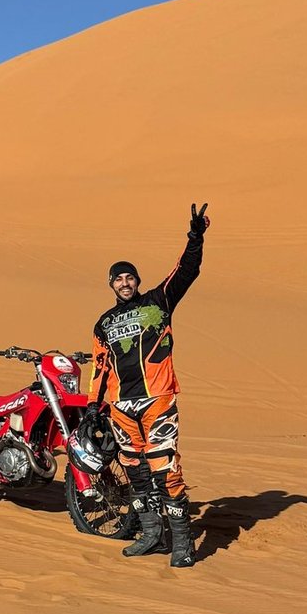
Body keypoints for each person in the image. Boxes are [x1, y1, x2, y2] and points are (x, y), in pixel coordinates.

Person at [92, 203, 210, 568]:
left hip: (157, 400)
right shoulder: (103, 323)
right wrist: (93, 406)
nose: (125, 283)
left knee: (166, 469)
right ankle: (151, 534)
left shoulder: (159, 301)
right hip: (121, 407)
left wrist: (195, 238)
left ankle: (183, 543)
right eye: (118, 279)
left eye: (129, 277)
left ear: (137, 281)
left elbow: (186, 271)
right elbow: (100, 367)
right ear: (111, 284)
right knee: (135, 471)